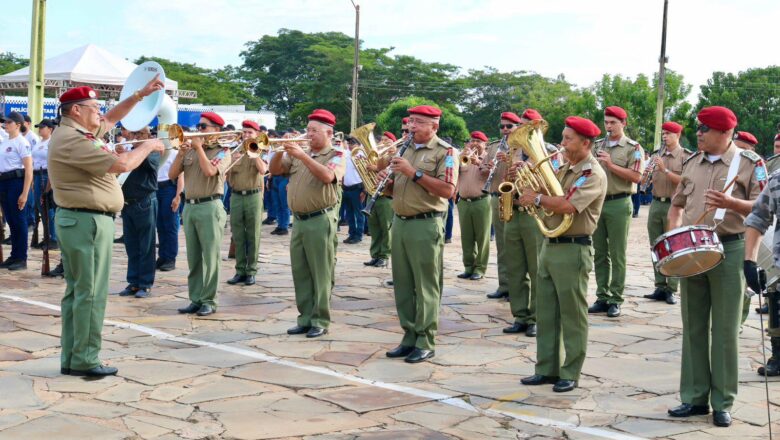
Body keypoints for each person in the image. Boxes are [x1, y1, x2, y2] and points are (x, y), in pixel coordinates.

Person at [50, 82, 165, 377]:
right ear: (76, 110)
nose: (100, 113)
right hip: (86, 221)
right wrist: (148, 145)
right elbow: (121, 164)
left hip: (83, 220)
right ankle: (85, 359)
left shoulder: (75, 131)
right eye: (94, 108)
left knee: (79, 291)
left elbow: (112, 119)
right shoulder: (73, 139)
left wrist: (140, 96)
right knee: (90, 293)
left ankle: (73, 356)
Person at [666, 106, 764, 427]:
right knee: (693, 325)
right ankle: (694, 398)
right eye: (698, 129)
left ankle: (723, 402)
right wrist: (673, 238)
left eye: (705, 129)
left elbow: (765, 207)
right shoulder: (692, 163)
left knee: (724, 331)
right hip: (692, 250)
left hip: (730, 249)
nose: (698, 134)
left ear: (725, 133)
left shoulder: (749, 164)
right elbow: (676, 206)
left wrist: (733, 204)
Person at [519, 116, 607, 392]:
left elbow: (568, 206)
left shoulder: (592, 173)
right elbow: (549, 194)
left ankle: (570, 371)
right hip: (551, 244)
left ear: (586, 142)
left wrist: (535, 198)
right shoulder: (564, 167)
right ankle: (546, 368)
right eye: (564, 137)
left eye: (568, 139)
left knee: (572, 314)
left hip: (573, 248)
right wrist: (530, 179)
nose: (562, 143)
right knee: (546, 312)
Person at [381, 105, 458, 363]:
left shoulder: (446, 152)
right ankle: (409, 336)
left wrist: (413, 172)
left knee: (426, 285)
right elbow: (398, 189)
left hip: (426, 224)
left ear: (434, 126)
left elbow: (447, 191)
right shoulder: (405, 149)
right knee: (403, 284)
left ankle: (426, 340)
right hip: (400, 222)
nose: (411, 127)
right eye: (411, 122)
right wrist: (386, 184)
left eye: (418, 122)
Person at [270, 109, 346, 338]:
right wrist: (278, 150)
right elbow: (274, 171)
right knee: (301, 271)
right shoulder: (298, 153)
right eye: (307, 129)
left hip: (320, 219)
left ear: (329, 132)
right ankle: (304, 318)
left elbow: (327, 177)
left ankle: (320, 319)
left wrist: (303, 156)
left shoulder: (337, 154)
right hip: (300, 221)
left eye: (314, 130)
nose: (308, 134)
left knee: (321, 272)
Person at [170, 111, 232, 317]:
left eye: (203, 127)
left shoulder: (223, 151)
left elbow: (209, 172)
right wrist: (181, 154)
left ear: (216, 130)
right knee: (193, 257)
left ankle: (209, 300)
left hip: (210, 205)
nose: (199, 130)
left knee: (211, 256)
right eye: (199, 127)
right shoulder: (190, 150)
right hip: (190, 206)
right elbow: (172, 175)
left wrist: (198, 148)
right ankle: (195, 298)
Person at [588, 106, 644, 318]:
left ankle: (616, 298)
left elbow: (637, 177)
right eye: (606, 122)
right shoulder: (597, 145)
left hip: (619, 202)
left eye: (613, 123)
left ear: (623, 124)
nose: (608, 126)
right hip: (597, 203)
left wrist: (611, 165)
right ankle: (602, 296)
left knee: (617, 253)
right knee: (599, 253)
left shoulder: (633, 147)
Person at [500, 109, 547, 338]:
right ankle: (520, 315)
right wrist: (509, 173)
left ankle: (537, 317)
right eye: (521, 125)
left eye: (526, 126)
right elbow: (506, 182)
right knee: (515, 268)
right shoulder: (514, 151)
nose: (520, 129)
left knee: (536, 268)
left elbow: (553, 185)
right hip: (515, 211)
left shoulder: (549, 153)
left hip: (534, 214)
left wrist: (529, 171)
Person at [643, 122, 691, 305]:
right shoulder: (657, 155)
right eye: (663, 134)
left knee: (674, 246)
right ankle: (660, 285)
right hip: (656, 203)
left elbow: (686, 181)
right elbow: (644, 179)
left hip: (675, 206)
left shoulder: (685, 156)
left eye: (669, 134)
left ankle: (671, 287)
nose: (665, 137)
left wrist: (665, 170)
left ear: (677, 135)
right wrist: (646, 176)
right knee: (656, 245)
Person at [115, 126, 160, 299]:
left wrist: (143, 147)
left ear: (148, 136)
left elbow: (149, 164)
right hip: (128, 203)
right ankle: (133, 281)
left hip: (145, 201)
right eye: (134, 134)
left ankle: (145, 283)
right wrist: (120, 154)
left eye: (140, 134)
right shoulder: (130, 153)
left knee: (146, 245)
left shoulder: (153, 152)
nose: (136, 137)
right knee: (131, 245)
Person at [482, 111, 522, 300]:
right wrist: (488, 167)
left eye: (509, 126)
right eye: (502, 126)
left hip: (515, 200)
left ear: (517, 127)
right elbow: (482, 168)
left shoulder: (522, 146)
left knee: (515, 247)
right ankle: (504, 285)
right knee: (501, 245)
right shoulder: (493, 147)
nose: (505, 130)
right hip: (497, 197)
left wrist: (509, 161)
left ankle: (517, 288)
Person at [744, 172, 780, 377]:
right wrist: (749, 260)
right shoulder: (777, 180)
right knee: (776, 302)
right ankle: (778, 356)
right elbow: (758, 217)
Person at [226, 120, 267, 286]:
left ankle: (251, 271)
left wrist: (254, 152)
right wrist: (231, 160)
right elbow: (225, 174)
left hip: (253, 195)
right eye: (244, 132)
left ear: (256, 135)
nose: (246, 135)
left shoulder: (260, 150)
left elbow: (263, 170)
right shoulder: (234, 151)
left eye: (250, 132)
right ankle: (240, 270)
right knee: (237, 234)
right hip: (236, 195)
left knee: (253, 234)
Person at [0, 111, 33, 271]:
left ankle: (21, 258)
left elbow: (29, 169)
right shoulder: (5, 142)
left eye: (9, 122)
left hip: (16, 182)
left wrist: (25, 193)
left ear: (18, 125)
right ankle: (14, 255)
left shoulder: (22, 142)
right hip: (4, 182)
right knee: (11, 220)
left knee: (19, 220)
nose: (6, 124)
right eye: (5, 122)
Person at [456, 131, 490, 281]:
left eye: (478, 141)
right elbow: (453, 173)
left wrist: (479, 162)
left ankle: (480, 268)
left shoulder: (489, 158)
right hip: (464, 202)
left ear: (485, 144)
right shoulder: (463, 157)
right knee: (466, 237)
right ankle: (468, 267)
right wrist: (459, 158)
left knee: (482, 237)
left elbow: (491, 175)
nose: (474, 143)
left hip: (481, 201)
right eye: (472, 140)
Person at [364, 131, 398, 268]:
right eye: (382, 140)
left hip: (386, 196)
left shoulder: (395, 155)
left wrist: (376, 168)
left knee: (386, 228)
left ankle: (384, 255)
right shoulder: (378, 154)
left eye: (387, 140)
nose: (383, 142)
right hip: (372, 195)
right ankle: (375, 254)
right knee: (374, 227)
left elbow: (391, 172)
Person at [155, 144, 183, 272]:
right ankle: (162, 256)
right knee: (160, 225)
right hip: (156, 188)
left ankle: (170, 258)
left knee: (170, 224)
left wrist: (178, 196)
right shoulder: (155, 152)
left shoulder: (175, 153)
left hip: (169, 188)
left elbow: (181, 176)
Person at [31, 118, 58, 249]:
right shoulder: (39, 142)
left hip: (46, 174)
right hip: (37, 175)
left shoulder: (52, 142)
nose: (40, 129)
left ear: (50, 129)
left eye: (42, 127)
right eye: (39, 127)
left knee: (48, 206)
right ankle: (47, 236)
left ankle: (54, 237)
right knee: (40, 206)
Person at [342, 136, 365, 244]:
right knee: (349, 214)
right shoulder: (346, 154)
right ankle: (351, 234)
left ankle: (358, 235)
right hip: (346, 187)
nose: (351, 145)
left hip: (357, 187)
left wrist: (364, 190)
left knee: (358, 213)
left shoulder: (362, 155)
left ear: (358, 144)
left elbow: (365, 174)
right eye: (349, 143)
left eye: (353, 143)